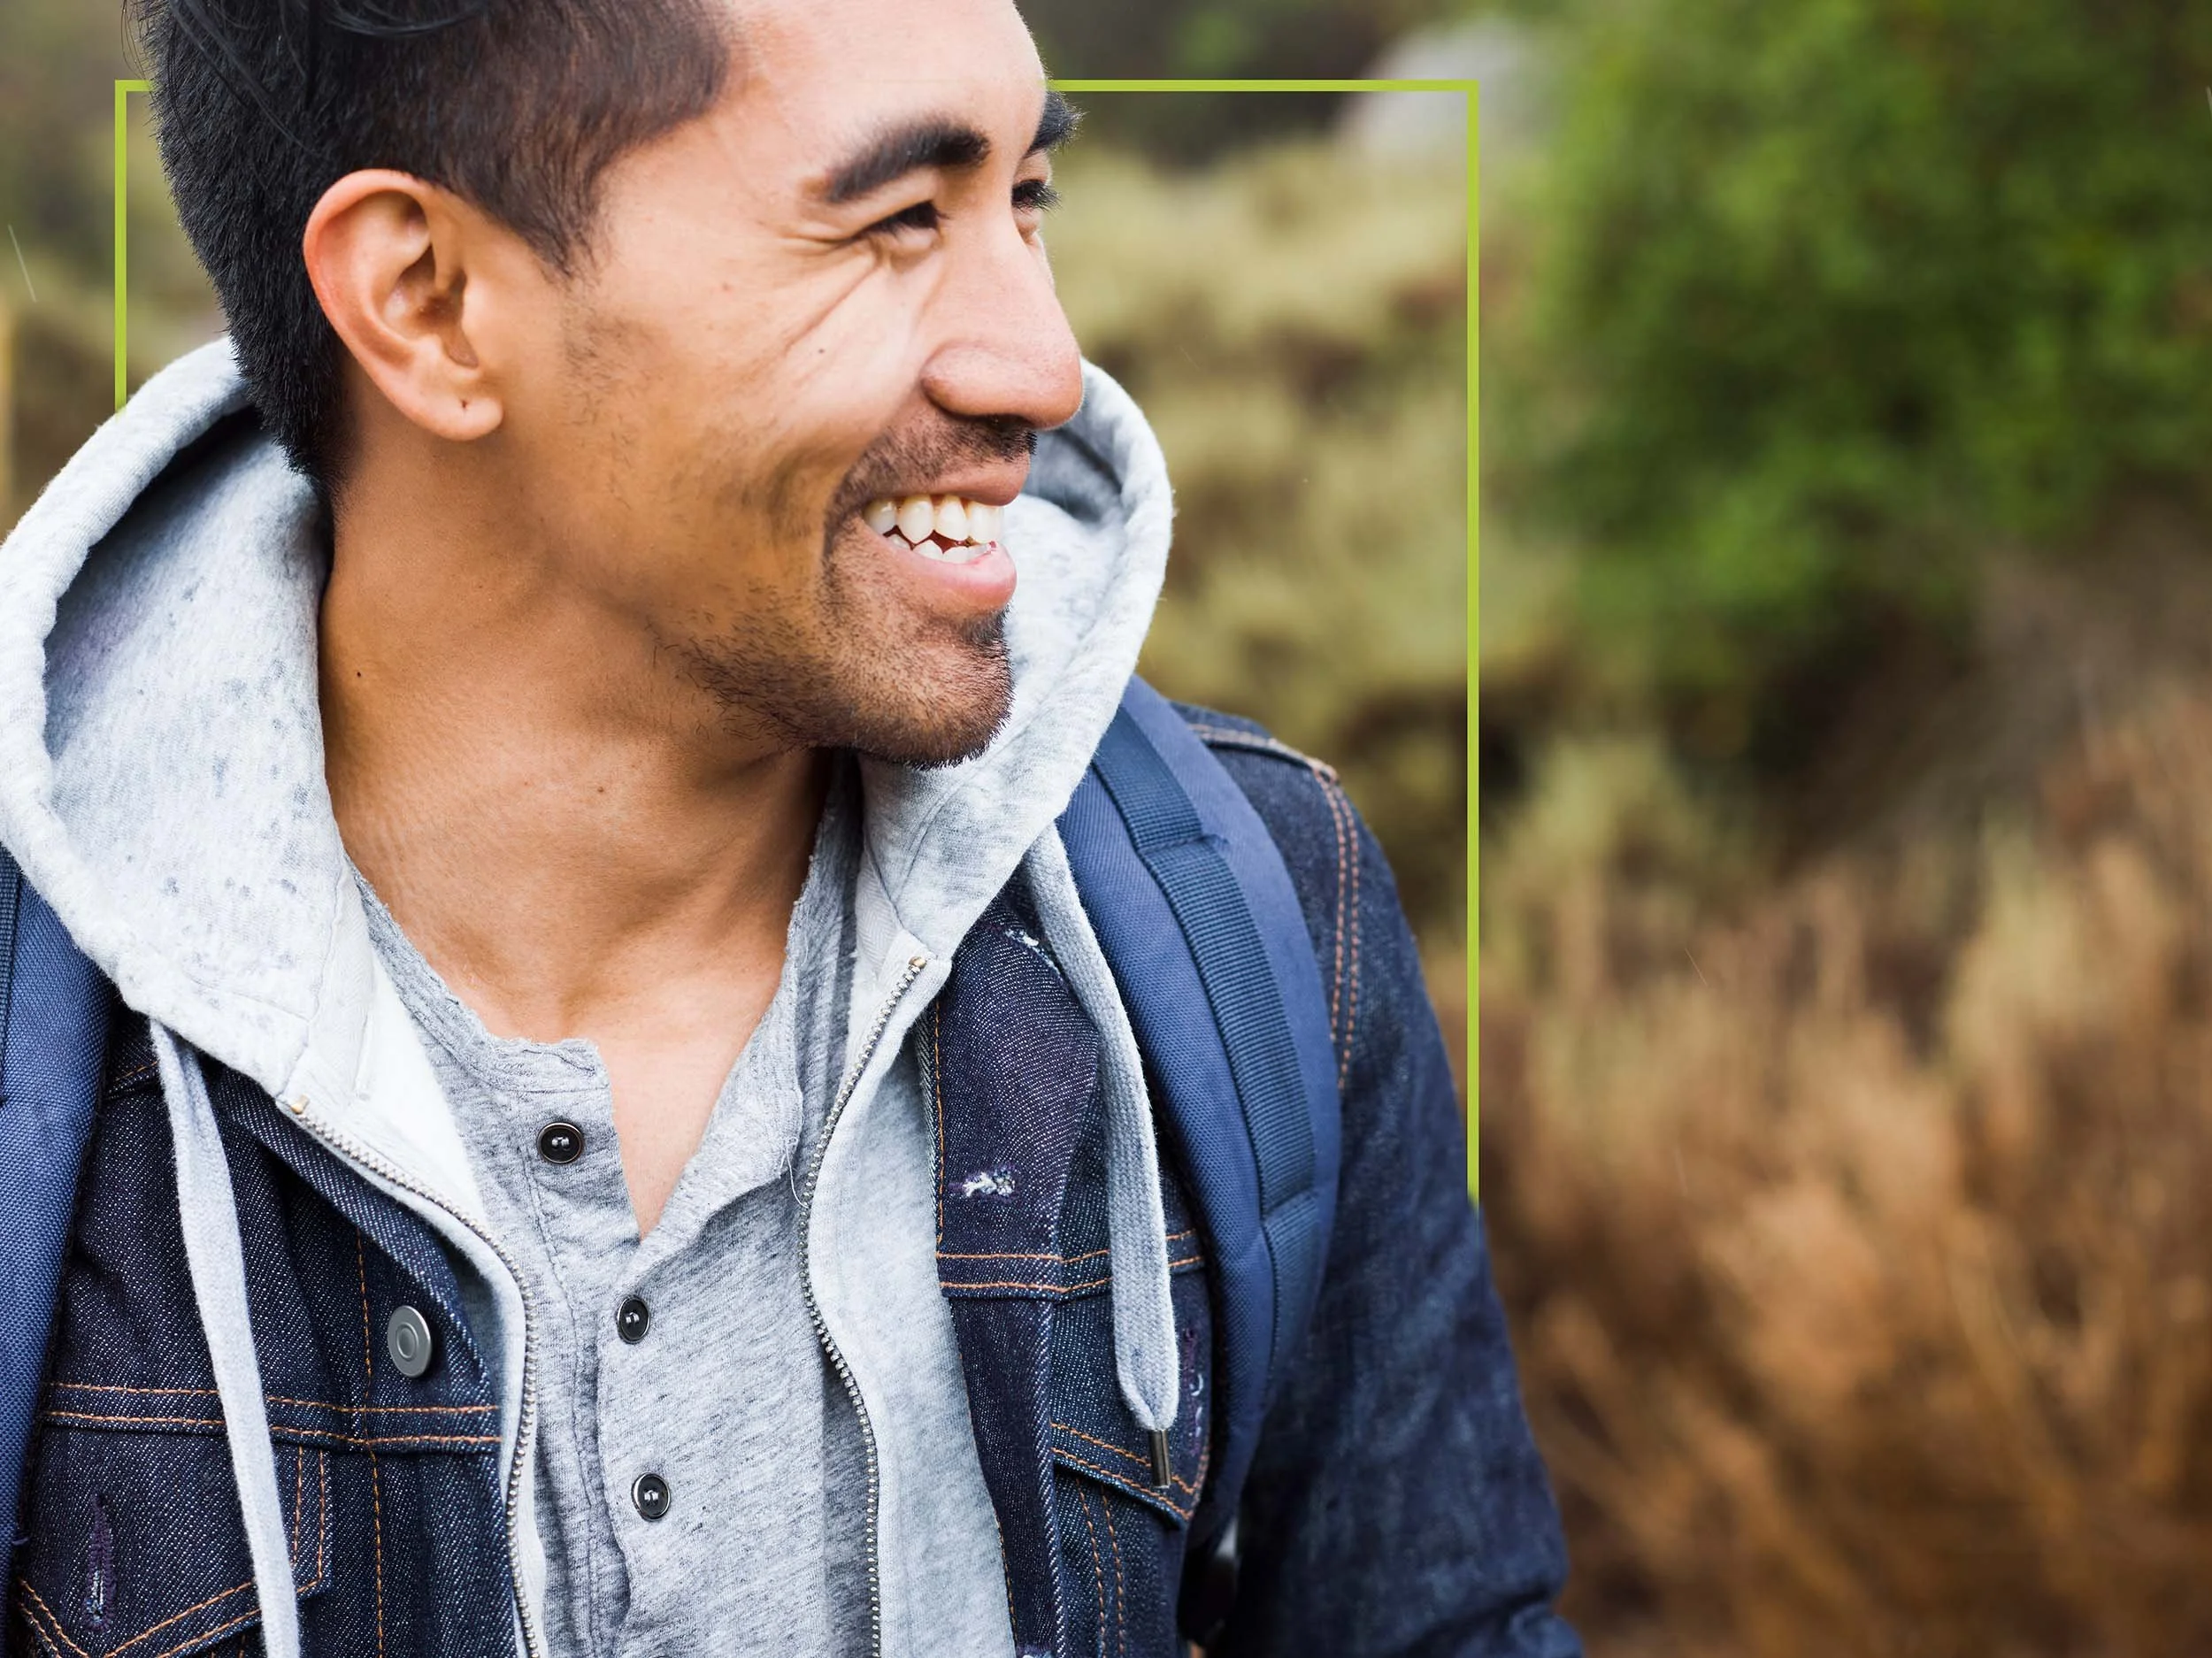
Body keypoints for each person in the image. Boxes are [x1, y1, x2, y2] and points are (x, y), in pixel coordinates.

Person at [0, 0, 1579, 1653]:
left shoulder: (1248, 912)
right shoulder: (45, 1039)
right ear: (431, 303)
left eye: (1025, 197)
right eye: (899, 219)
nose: (1046, 365)